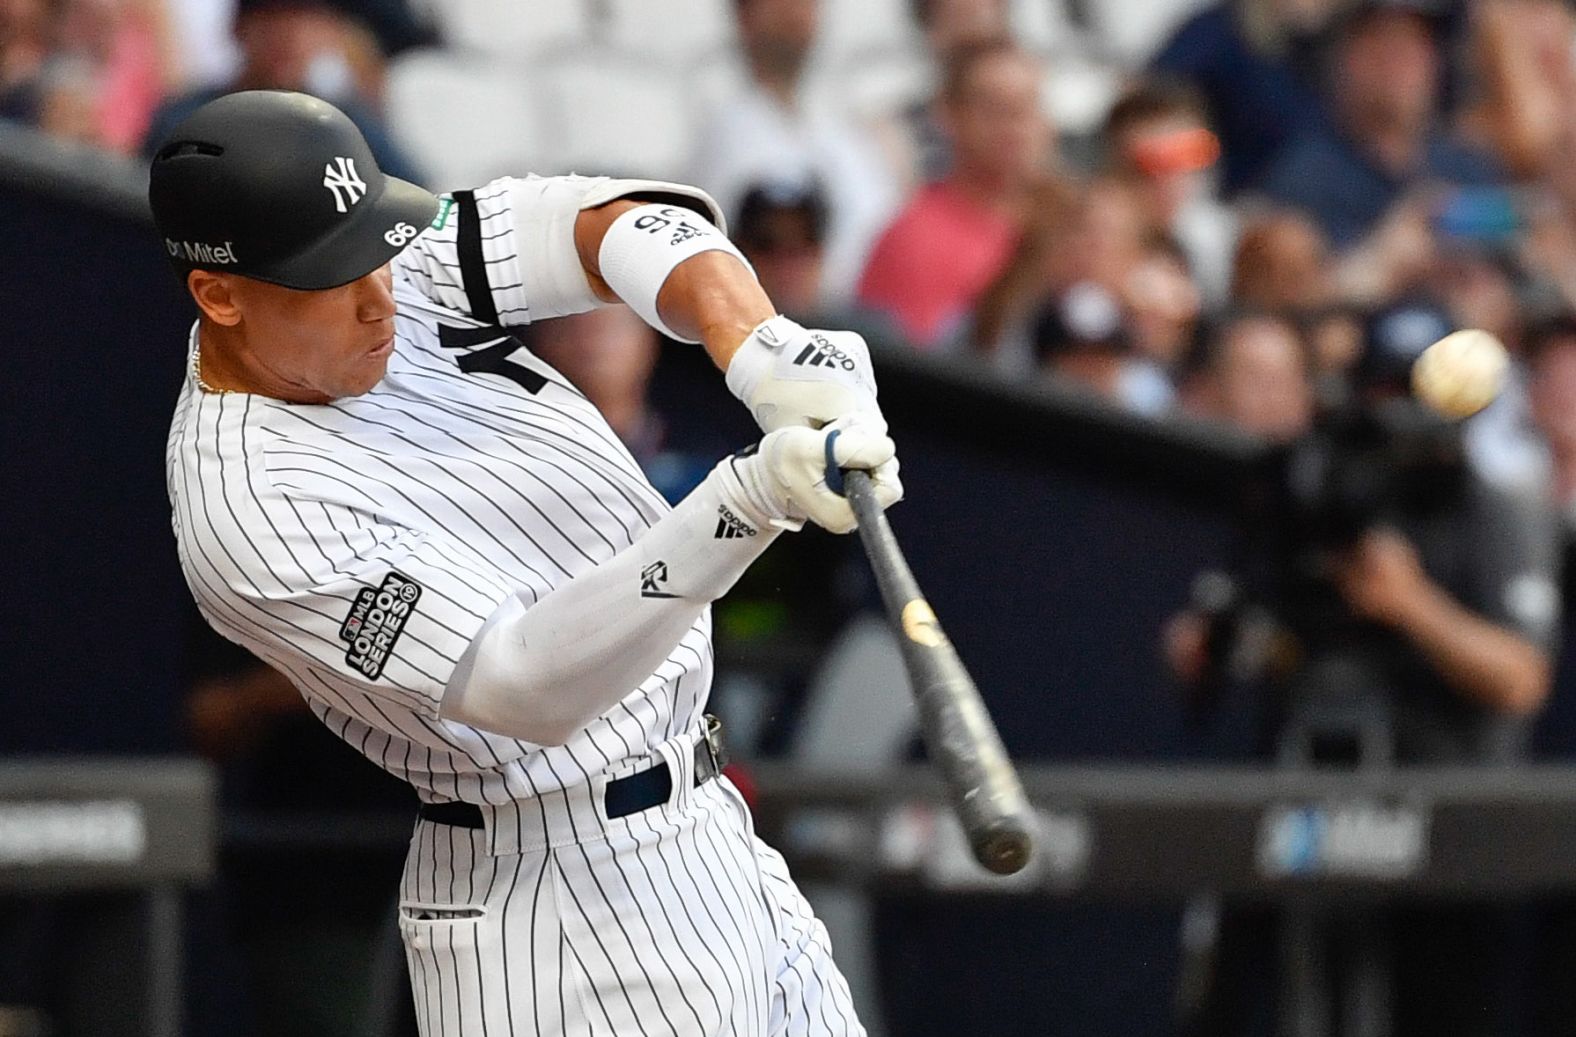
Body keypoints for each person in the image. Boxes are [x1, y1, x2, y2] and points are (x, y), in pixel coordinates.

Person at [151, 90, 901, 1035]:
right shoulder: (247, 503)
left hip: (707, 829)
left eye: (374, 252)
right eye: (333, 279)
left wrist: (760, 348)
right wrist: (745, 502)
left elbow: (611, 225)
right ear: (220, 294)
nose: (381, 296)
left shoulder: (380, 256)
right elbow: (524, 686)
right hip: (563, 906)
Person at [688, 0, 898, 307]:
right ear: (744, 15)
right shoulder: (724, 128)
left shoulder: (840, 130)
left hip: (866, 325)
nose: (795, 12)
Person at [858, 37, 1056, 350]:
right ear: (948, 115)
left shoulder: (1068, 217)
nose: (1015, 124)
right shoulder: (916, 239)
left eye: (1027, 106)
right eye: (994, 108)